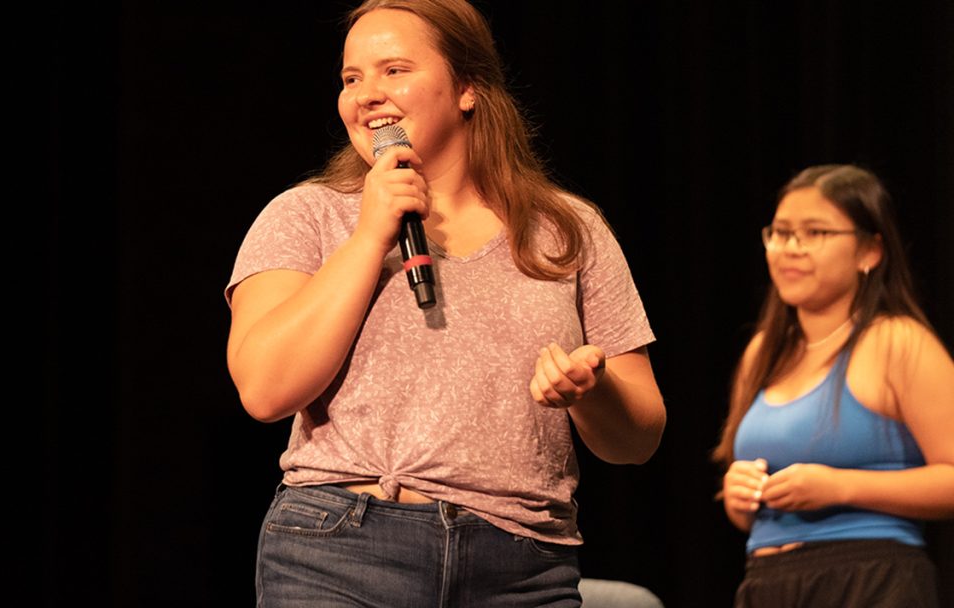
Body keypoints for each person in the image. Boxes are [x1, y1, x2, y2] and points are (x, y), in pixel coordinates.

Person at [224, 0, 666, 606]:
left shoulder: (567, 229)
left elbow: (639, 438)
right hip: (341, 549)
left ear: (467, 87)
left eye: (394, 70)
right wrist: (369, 235)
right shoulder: (307, 215)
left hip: (522, 567)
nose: (367, 95)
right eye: (351, 78)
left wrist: (591, 393)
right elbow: (265, 389)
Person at [713, 164, 954, 607]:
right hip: (768, 581)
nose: (791, 249)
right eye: (781, 233)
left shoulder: (897, 341)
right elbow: (743, 505)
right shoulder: (764, 352)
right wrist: (738, 496)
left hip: (871, 579)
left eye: (815, 233)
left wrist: (842, 487)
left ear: (870, 251)